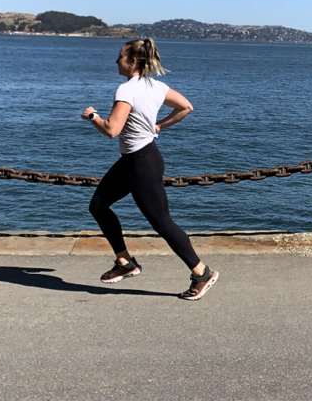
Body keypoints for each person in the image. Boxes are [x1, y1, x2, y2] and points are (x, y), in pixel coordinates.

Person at [82, 38, 219, 301]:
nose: (116, 60)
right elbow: (186, 107)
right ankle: (125, 263)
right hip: (134, 161)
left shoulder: (126, 90)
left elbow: (112, 130)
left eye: (120, 56)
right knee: (98, 206)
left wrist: (92, 117)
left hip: (142, 164)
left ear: (132, 62)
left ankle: (202, 273)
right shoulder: (156, 86)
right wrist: (159, 125)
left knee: (163, 223)